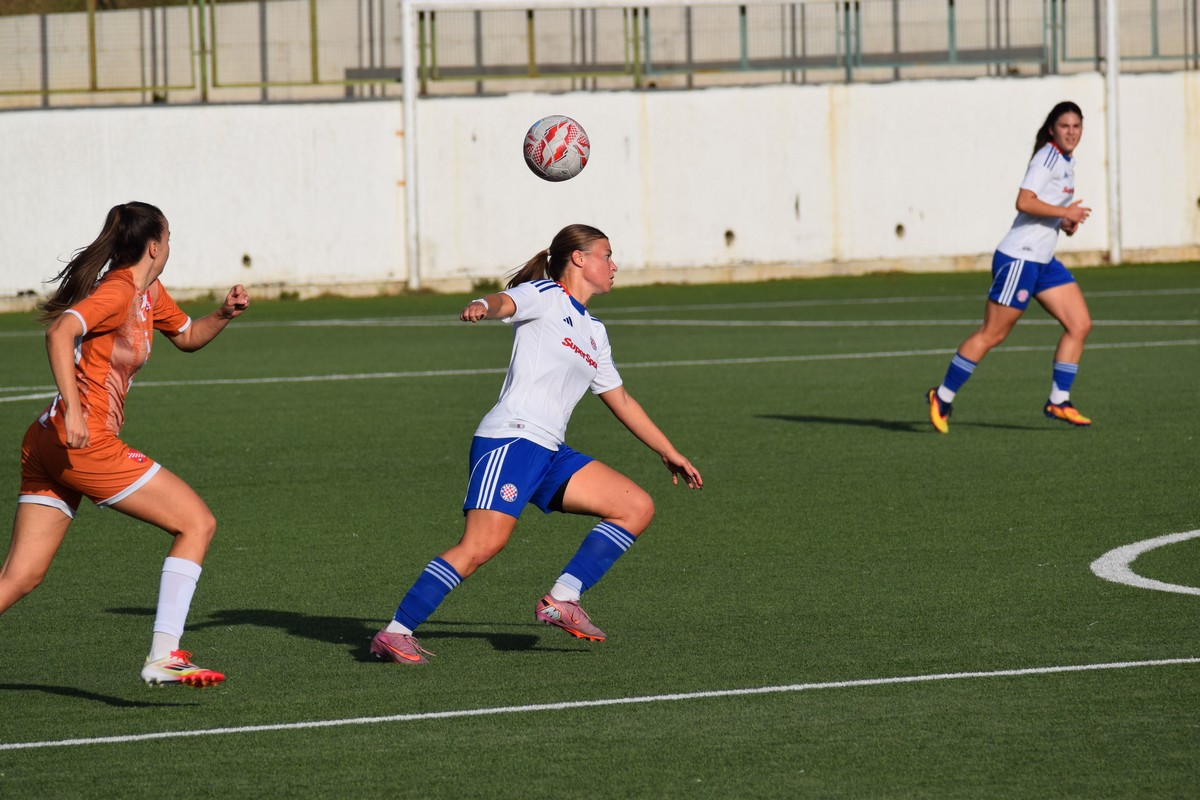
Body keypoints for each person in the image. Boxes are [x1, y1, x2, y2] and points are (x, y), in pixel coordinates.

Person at [371, 223, 703, 665]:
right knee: (481, 546)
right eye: (606, 255)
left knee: (635, 507)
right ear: (579, 259)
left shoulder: (595, 331)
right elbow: (506, 301)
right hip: (511, 439)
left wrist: (667, 450)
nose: (614, 265)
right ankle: (395, 633)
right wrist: (482, 305)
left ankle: (563, 598)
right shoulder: (546, 294)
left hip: (550, 452)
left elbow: (620, 398)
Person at [0, 202, 250, 687]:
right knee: (196, 523)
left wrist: (223, 314)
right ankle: (164, 655)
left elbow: (187, 336)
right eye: (169, 237)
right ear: (154, 246)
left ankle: (164, 656)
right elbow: (60, 331)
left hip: (48, 441)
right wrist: (75, 410)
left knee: (20, 576)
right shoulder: (117, 291)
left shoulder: (148, 292)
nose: (171, 246)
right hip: (83, 441)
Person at [927, 101, 1094, 433]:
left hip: (1043, 260)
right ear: (1052, 129)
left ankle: (1059, 400)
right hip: (1020, 257)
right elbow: (1024, 201)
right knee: (993, 333)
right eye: (1065, 126)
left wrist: (1064, 222)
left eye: (1076, 126)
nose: (1071, 132)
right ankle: (942, 397)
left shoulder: (1066, 162)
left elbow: (1043, 209)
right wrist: (1063, 213)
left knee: (1080, 324)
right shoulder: (1047, 157)